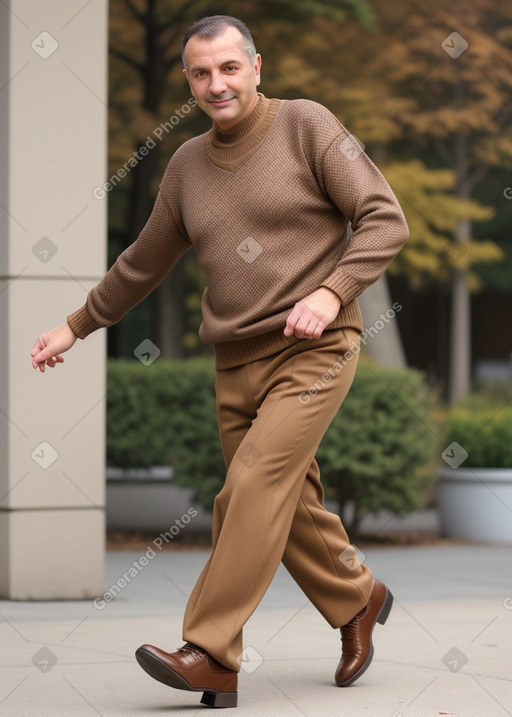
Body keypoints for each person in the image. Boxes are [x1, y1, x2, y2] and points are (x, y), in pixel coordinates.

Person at [31, 15, 408, 710]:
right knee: (287, 504)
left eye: (229, 68)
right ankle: (359, 597)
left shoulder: (307, 125)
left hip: (315, 349)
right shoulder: (185, 167)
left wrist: (331, 293)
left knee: (251, 488)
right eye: (201, 74)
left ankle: (210, 652)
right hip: (235, 361)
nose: (216, 84)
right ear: (189, 82)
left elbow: (385, 218)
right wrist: (77, 324)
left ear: (257, 66)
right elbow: (142, 262)